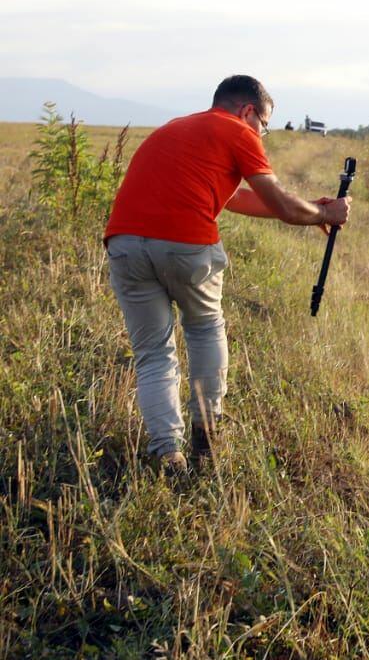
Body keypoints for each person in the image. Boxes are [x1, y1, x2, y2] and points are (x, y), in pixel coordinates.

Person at [103, 75, 352, 473]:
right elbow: (283, 207)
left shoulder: (176, 129)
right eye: (264, 126)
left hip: (123, 243)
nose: (262, 134)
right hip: (186, 244)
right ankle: (205, 437)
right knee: (203, 329)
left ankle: (168, 453)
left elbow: (236, 198)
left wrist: (311, 207)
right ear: (247, 110)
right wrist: (324, 213)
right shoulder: (238, 131)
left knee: (152, 352)